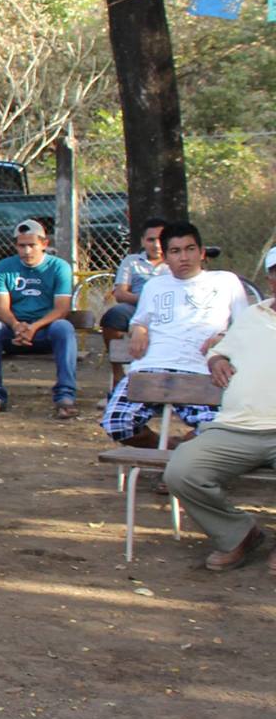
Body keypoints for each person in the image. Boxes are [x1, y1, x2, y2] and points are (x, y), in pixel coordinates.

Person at [164, 245, 276, 573]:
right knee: (182, 472)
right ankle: (238, 535)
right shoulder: (254, 316)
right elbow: (221, 350)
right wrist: (216, 358)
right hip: (236, 427)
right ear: (271, 280)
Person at [101, 221, 249, 447]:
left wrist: (224, 339)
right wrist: (138, 329)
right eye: (175, 251)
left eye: (190, 249)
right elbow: (139, 321)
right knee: (117, 423)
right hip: (151, 368)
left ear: (201, 253)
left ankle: (185, 453)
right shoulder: (154, 286)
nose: (184, 257)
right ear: (166, 257)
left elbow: (246, 326)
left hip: (201, 371)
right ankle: (170, 447)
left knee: (221, 429)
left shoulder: (225, 281)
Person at [0, 218, 79, 420]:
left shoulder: (60, 267)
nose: (27, 251)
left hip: (45, 331)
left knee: (64, 327)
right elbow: (2, 308)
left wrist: (35, 327)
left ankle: (65, 397)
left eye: (32, 245)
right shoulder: (4, 267)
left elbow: (62, 309)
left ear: (44, 244)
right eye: (21, 246)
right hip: (16, 332)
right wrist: (16, 325)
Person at [103, 218, 170, 386]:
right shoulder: (132, 261)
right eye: (151, 240)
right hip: (135, 307)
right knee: (114, 316)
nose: (156, 245)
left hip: (168, 308)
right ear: (142, 241)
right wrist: (147, 299)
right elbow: (120, 293)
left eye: (161, 240)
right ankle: (118, 373)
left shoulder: (174, 262)